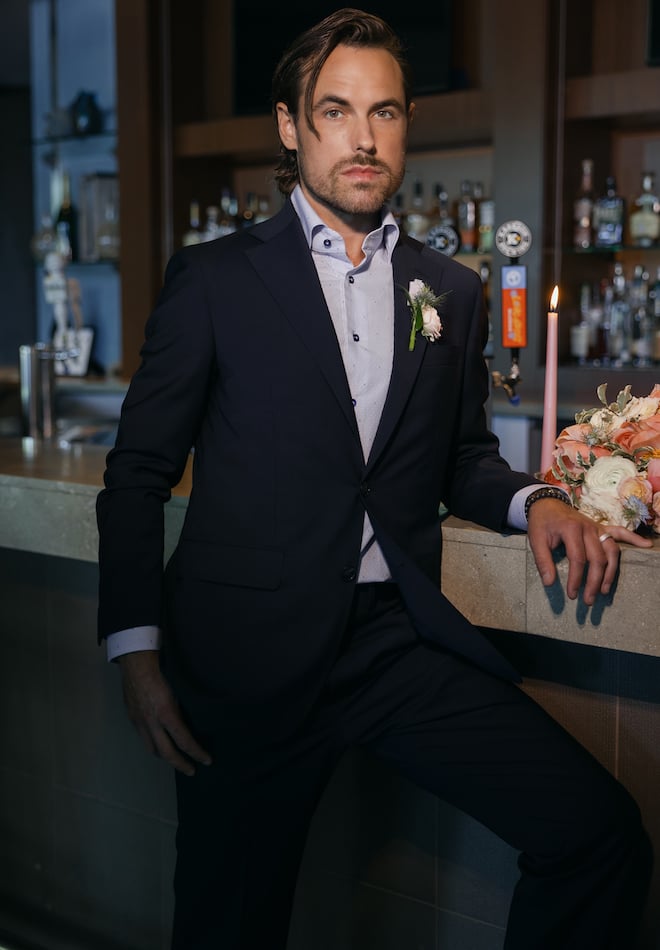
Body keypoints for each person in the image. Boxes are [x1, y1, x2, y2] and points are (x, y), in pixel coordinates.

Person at [96, 8, 653, 949]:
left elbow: (460, 457)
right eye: (336, 111)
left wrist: (538, 500)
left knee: (598, 832)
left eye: (385, 112)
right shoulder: (214, 280)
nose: (363, 137)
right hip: (245, 661)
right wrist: (137, 654)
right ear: (290, 127)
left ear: (405, 128)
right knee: (230, 928)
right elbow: (138, 474)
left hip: (395, 647)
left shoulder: (453, 289)